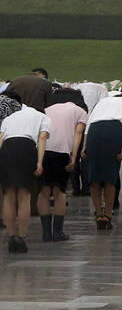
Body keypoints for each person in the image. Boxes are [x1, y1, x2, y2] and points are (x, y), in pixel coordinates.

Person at [83, 92, 122, 230]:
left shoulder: (103, 102)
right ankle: (108, 215)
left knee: (94, 176)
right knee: (110, 176)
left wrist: (85, 146)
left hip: (94, 132)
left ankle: (99, 214)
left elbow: (89, 124)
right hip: (113, 131)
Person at [36, 91, 86, 242]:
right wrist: (74, 156)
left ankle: (46, 233)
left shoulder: (48, 109)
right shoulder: (80, 111)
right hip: (62, 152)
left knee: (43, 192)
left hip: (43, 151)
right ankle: (57, 232)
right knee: (60, 193)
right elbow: (78, 134)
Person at [0, 97, 48, 254]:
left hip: (7, 148)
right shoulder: (43, 117)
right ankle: (22, 236)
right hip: (26, 148)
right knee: (24, 195)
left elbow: (1, 138)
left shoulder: (10, 117)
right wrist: (40, 162)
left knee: (8, 195)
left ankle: (11, 236)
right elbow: (41, 138)